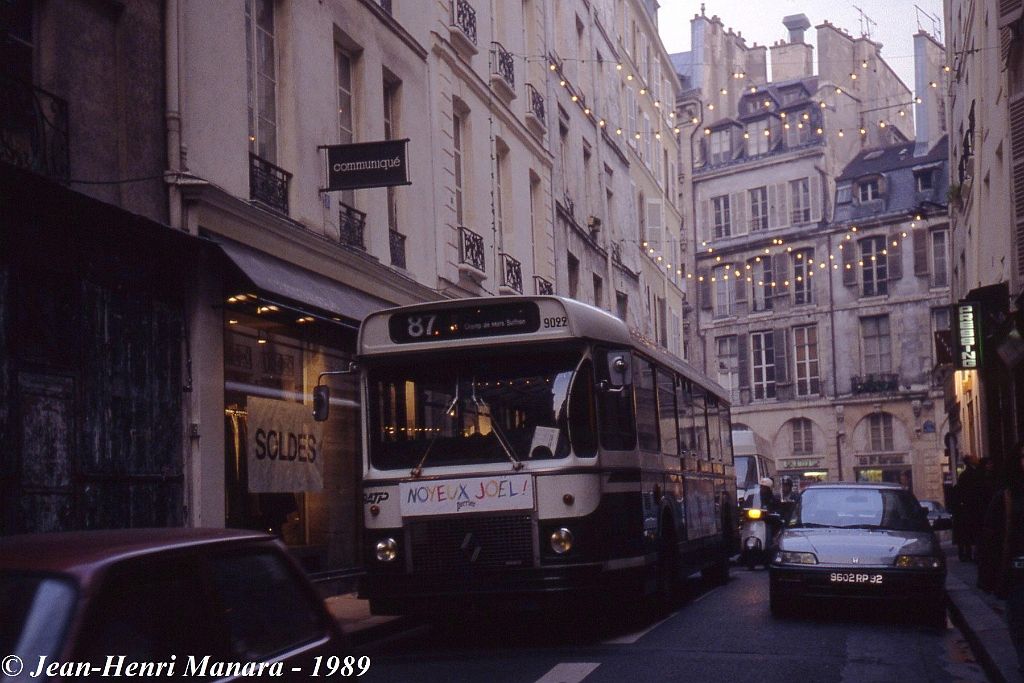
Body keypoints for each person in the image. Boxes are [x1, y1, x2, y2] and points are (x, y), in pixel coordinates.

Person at [979, 440, 1024, 673]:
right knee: (1019, 622)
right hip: (1018, 574)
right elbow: (991, 540)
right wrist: (989, 575)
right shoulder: (1005, 498)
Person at [953, 454, 985, 561]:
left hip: (970, 506)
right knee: (972, 531)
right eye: (973, 457)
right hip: (972, 507)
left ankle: (968, 553)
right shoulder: (972, 474)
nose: (976, 458)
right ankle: (970, 554)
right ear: (970, 461)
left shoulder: (967, 474)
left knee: (969, 532)